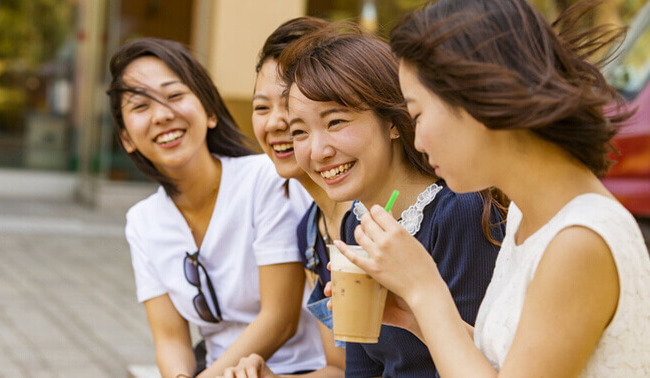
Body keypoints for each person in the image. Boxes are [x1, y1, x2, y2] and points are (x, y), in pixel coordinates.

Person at [334, 0, 650, 376]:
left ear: (475, 98)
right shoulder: (526, 213)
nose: (416, 141)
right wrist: (415, 315)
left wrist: (425, 289)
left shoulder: (578, 241)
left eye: (417, 114)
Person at [281, 23, 505, 377]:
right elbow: (361, 370)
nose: (317, 150)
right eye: (299, 132)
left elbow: (481, 361)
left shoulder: (460, 213)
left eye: (336, 121)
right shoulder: (357, 221)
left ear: (393, 121)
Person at [106, 38, 324, 377]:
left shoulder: (264, 179)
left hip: (297, 370)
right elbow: (170, 340)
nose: (163, 115)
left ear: (209, 112)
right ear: (126, 139)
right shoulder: (142, 222)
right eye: (140, 106)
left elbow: (279, 320)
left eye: (175, 96)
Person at [222, 17, 349, 378]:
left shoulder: (376, 213)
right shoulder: (313, 233)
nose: (276, 122)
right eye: (262, 107)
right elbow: (341, 368)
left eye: (288, 105)